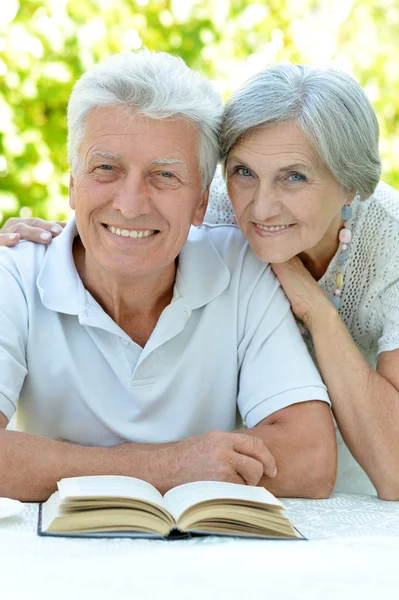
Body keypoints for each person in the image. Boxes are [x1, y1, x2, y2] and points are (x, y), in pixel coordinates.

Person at [0, 51, 336, 502]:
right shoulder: (14, 273)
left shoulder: (240, 266)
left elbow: (310, 459)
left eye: (164, 174)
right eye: (106, 168)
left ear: (201, 203)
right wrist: (167, 466)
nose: (131, 203)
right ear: (72, 185)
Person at [204, 64, 399, 499]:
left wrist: (316, 310)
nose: (261, 208)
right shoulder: (212, 211)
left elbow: (396, 469)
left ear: (350, 185)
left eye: (294, 176)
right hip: (234, 481)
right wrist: (29, 239)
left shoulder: (393, 243)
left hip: (360, 499)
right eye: (243, 172)